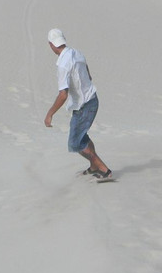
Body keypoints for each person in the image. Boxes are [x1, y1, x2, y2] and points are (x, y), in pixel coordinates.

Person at [43, 28, 112, 179]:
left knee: (75, 143)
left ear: (51, 45)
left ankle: (103, 169)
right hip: (92, 100)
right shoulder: (77, 53)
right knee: (82, 135)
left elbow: (63, 94)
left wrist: (50, 114)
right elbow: (89, 75)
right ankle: (94, 166)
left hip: (84, 106)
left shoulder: (62, 64)